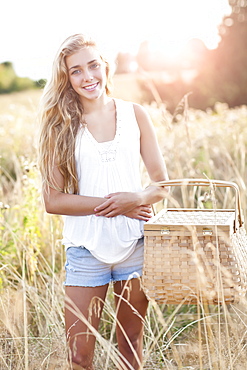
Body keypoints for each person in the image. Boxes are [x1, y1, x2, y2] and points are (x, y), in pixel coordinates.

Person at [38, 33, 168, 370]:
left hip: (135, 246)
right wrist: (119, 204)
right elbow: (53, 200)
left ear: (106, 67)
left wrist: (138, 197)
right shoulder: (59, 126)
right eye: (76, 71)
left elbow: (162, 185)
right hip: (85, 251)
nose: (88, 77)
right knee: (80, 357)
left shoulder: (135, 114)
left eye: (93, 65)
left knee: (130, 346)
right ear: (66, 79)